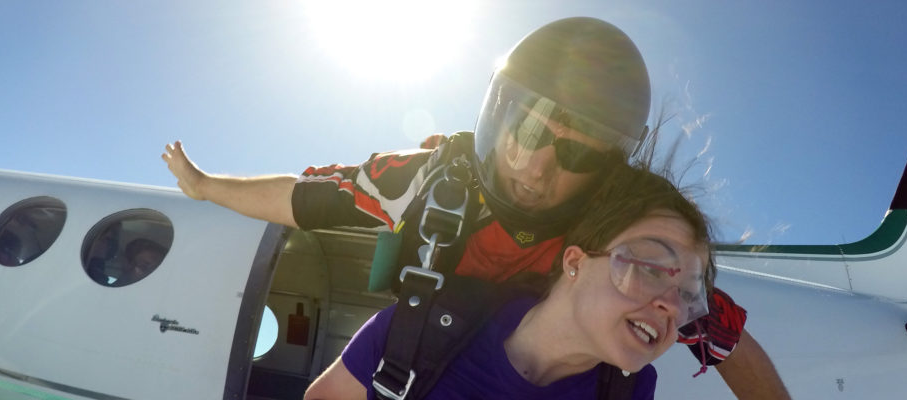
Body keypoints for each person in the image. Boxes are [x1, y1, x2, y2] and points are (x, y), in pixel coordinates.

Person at [163, 17, 788, 398]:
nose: (536, 168)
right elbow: (304, 200)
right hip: (416, 357)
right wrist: (206, 187)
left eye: (577, 155)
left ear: (607, 168)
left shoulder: (617, 228)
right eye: (532, 129)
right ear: (497, 112)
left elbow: (718, 332)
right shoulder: (431, 177)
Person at [305, 163, 713, 399]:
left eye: (690, 295)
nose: (674, 308)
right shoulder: (418, 329)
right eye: (651, 268)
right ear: (574, 262)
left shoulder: (629, 391)